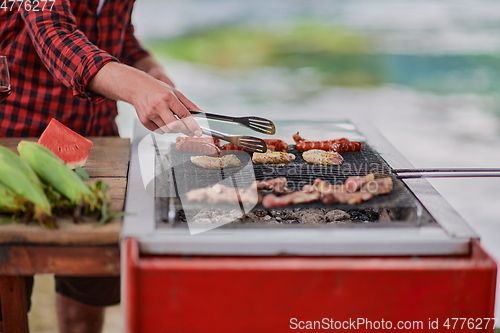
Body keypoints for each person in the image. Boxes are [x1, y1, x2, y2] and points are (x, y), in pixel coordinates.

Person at [0, 0, 201, 332]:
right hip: (14, 147)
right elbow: (55, 34)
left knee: (88, 300)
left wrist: (147, 67)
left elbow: (116, 32)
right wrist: (138, 89)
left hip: (99, 151)